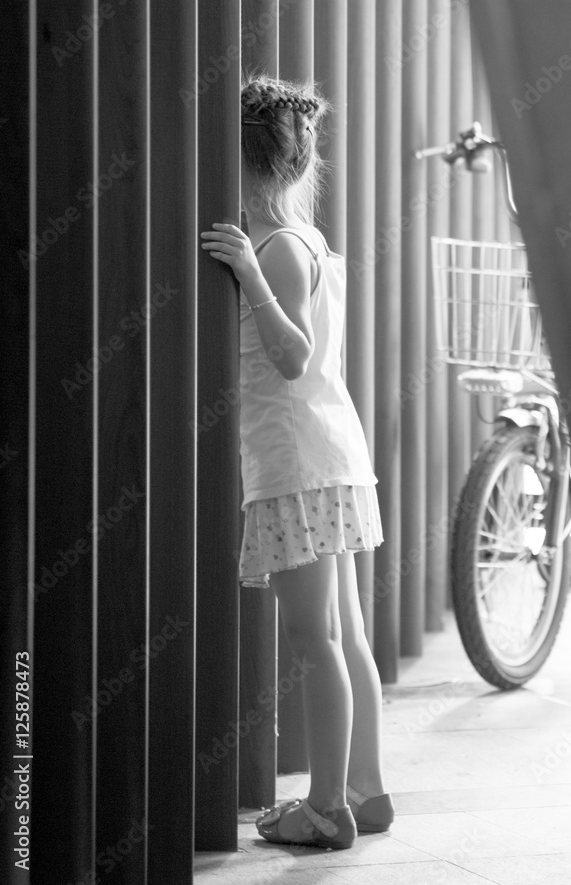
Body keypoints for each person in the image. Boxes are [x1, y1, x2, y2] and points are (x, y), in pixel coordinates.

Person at [200, 76, 394, 850]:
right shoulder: (306, 238)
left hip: (295, 464)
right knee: (344, 633)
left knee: (314, 639)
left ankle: (324, 808)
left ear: (239, 158)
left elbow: (290, 357)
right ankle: (364, 790)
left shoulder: (275, 250)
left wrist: (246, 275)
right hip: (328, 454)